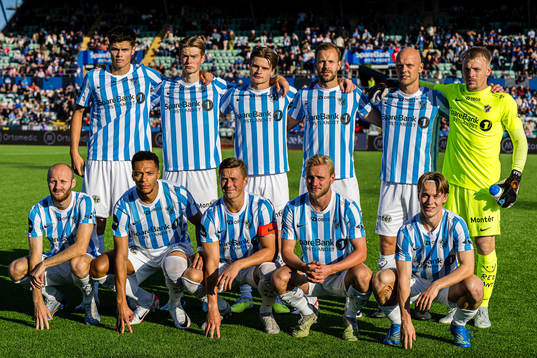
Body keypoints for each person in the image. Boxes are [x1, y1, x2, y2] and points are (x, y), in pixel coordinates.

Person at [421, 47, 528, 328]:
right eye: (467, 68)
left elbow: (521, 141)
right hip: (452, 188)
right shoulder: (453, 92)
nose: (471, 73)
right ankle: (459, 304)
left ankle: (483, 307)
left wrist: (514, 178)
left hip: (483, 192)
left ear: (489, 71)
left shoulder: (502, 101)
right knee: (453, 250)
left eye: (477, 69)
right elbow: (423, 84)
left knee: (484, 246)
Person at [70, 26, 163, 255]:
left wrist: (202, 75)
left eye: (124, 49)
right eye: (114, 49)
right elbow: (78, 112)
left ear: (133, 50)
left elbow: (177, 89)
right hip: (99, 158)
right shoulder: (94, 77)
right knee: (97, 217)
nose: (119, 54)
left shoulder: (146, 75)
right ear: (108, 50)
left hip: (133, 162)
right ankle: (96, 263)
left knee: (131, 218)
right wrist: (74, 152)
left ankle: (128, 266)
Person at [89, 151, 202, 333]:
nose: (144, 179)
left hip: (174, 248)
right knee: (98, 268)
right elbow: (121, 255)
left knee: (174, 265)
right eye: (138, 173)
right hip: (140, 252)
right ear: (132, 175)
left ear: (158, 173)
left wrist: (201, 250)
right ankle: (146, 300)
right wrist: (121, 302)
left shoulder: (177, 193)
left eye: (149, 173)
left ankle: (174, 305)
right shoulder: (123, 204)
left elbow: (199, 222)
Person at [370, 48, 445, 320]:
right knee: (388, 243)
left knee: (422, 245)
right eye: (400, 65)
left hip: (422, 187)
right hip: (390, 183)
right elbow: (357, 101)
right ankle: (388, 300)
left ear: (421, 67)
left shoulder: (435, 99)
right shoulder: (386, 98)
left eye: (410, 65)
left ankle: (416, 300)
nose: (404, 69)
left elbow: (466, 100)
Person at [220, 47, 296, 314]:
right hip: (245, 177)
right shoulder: (236, 95)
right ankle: (245, 292)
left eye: (264, 68)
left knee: (277, 234)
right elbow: (209, 103)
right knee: (242, 232)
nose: (258, 71)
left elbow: (308, 100)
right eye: (254, 66)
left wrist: (282, 81)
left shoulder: (283, 94)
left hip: (276, 175)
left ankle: (276, 292)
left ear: (272, 71)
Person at [372, 172, 483, 349]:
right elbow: (403, 277)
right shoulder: (406, 230)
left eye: (435, 196)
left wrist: (437, 285)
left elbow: (468, 267)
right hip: (416, 283)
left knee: (476, 287)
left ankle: (459, 325)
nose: (430, 202)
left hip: (446, 284)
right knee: (381, 280)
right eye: (425, 195)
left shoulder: (456, 224)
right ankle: (396, 325)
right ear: (418, 196)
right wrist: (405, 318)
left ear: (445, 197)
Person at [271, 154, 372, 341]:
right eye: (310, 177)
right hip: (309, 276)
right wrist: (304, 267)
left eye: (320, 178)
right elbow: (286, 252)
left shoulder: (347, 207)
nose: (314, 182)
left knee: (364, 275)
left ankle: (350, 317)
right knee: (279, 277)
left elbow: (361, 252)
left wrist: (330, 269)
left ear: (332, 179)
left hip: (341, 275)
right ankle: (307, 313)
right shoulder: (293, 208)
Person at [181, 158, 279, 337]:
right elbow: (211, 261)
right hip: (223, 265)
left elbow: (270, 251)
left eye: (234, 179)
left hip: (251, 266)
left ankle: (266, 311)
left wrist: (239, 265)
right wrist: (212, 307)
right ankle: (221, 307)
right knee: (190, 277)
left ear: (245, 180)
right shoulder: (211, 214)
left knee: (271, 272)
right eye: (224, 179)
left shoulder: (262, 207)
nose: (228, 184)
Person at [8, 163, 100, 329]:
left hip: (84, 262)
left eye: (63, 181)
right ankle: (53, 297)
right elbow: (35, 255)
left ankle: (89, 301)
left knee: (77, 263)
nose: (57, 187)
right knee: (16, 269)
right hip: (55, 260)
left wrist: (44, 265)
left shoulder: (84, 201)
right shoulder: (37, 210)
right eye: (52, 181)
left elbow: (80, 247)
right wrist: (37, 300)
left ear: (73, 183)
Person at [288, 42, 380, 206]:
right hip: (311, 178)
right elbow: (283, 125)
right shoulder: (305, 95)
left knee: (350, 231)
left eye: (330, 62)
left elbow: (380, 120)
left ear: (339, 65)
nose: (326, 66)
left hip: (344, 178)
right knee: (308, 230)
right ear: (316, 64)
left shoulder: (353, 94)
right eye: (322, 61)